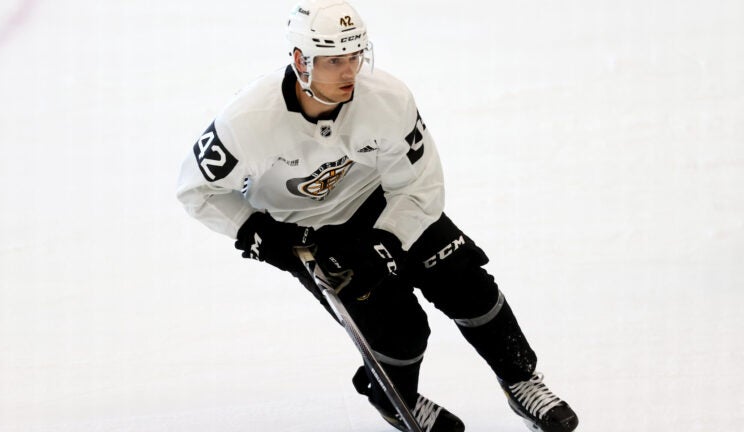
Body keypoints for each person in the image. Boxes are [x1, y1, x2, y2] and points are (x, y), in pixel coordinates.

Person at [176, 1, 579, 431]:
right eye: (334, 61)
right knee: (399, 330)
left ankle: (521, 380)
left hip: (382, 202)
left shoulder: (387, 97)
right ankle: (393, 398)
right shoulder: (247, 121)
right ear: (300, 60)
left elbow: (420, 184)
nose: (350, 72)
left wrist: (388, 238)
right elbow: (196, 190)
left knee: (467, 283)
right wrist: (253, 229)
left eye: (355, 56)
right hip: (311, 234)